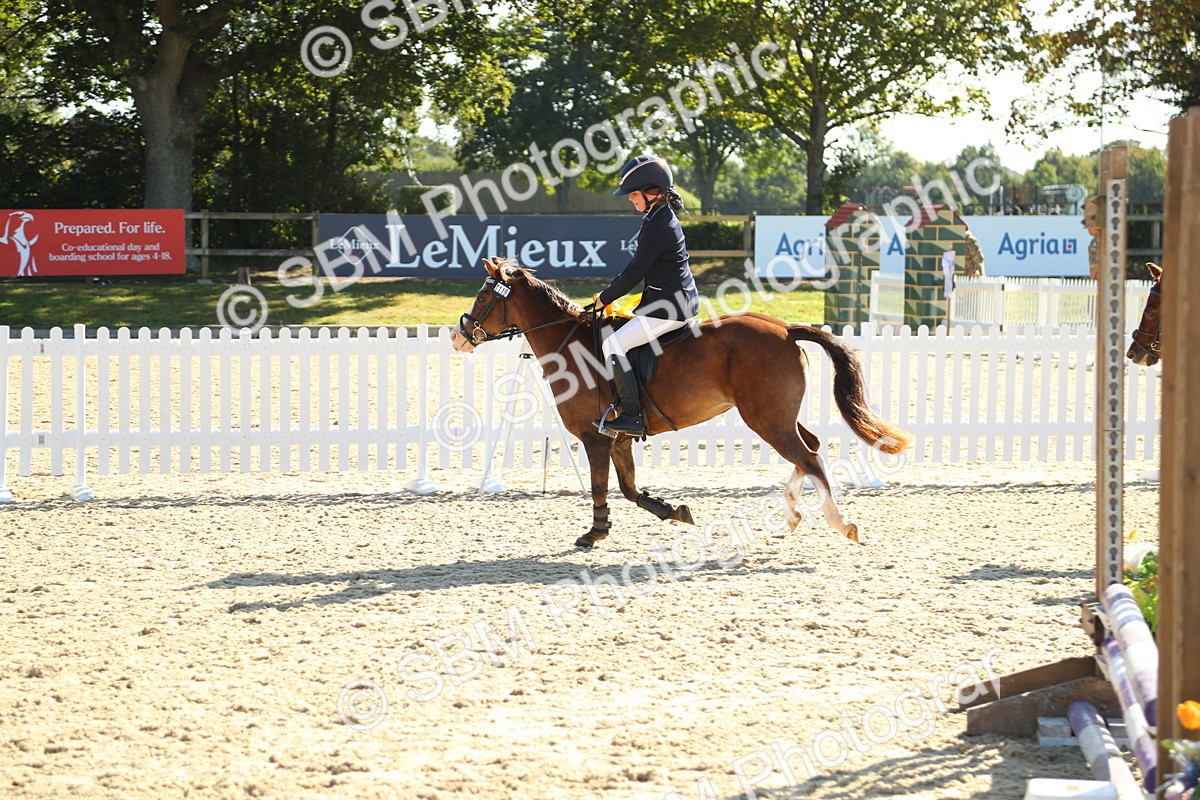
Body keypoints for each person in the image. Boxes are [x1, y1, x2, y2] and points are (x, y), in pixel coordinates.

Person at [592, 154, 699, 436]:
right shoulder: (658, 217)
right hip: (670, 301)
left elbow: (634, 271)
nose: (629, 199)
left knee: (612, 346)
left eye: (633, 194)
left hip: (670, 308)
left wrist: (605, 298)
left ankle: (632, 415)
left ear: (650, 193)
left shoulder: (658, 225)